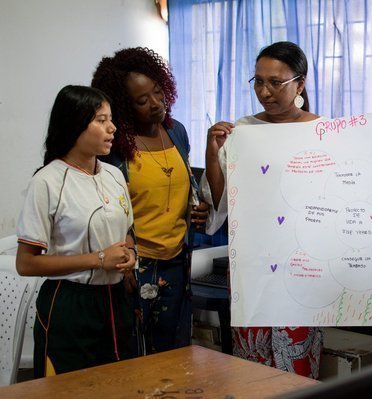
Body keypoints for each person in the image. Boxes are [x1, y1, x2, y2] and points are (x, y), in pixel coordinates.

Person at [202, 41, 323, 378]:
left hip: (302, 265)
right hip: (251, 264)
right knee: (249, 362)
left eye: (275, 82)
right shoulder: (243, 131)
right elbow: (219, 202)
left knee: (295, 363)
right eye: (258, 81)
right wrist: (213, 153)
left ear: (299, 84)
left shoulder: (323, 132)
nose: (264, 92)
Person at [91, 47, 208, 354]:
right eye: (142, 101)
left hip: (177, 262)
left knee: (173, 353)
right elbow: (107, 210)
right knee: (133, 354)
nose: (156, 104)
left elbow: (182, 188)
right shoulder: (115, 147)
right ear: (123, 107)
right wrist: (125, 267)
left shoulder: (176, 132)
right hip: (134, 265)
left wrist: (197, 208)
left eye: (158, 93)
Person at [16, 85, 137, 377]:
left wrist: (130, 253)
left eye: (111, 119)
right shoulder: (47, 182)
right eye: (100, 120)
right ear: (74, 125)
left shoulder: (114, 175)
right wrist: (98, 259)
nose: (112, 127)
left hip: (116, 300)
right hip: (69, 305)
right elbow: (26, 262)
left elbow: (128, 231)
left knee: (120, 384)